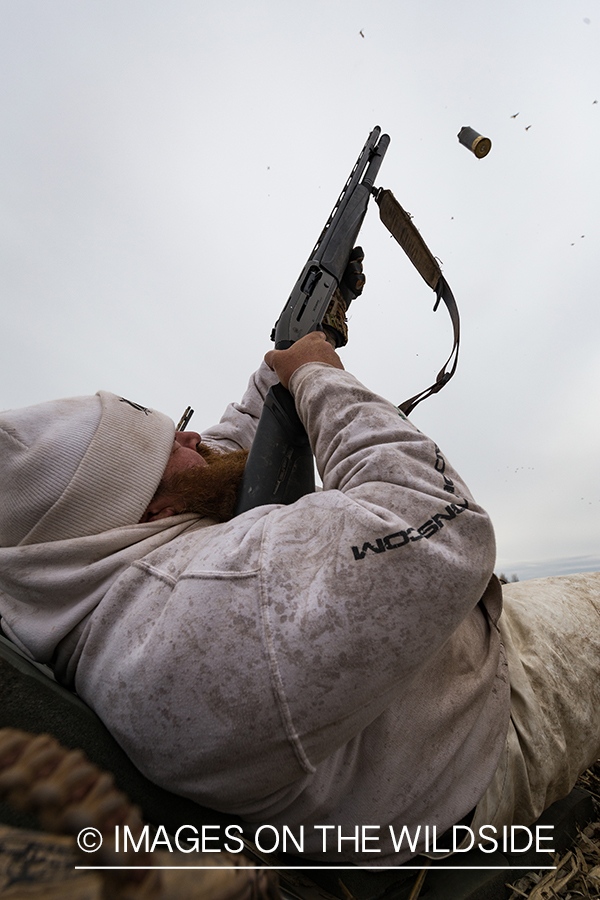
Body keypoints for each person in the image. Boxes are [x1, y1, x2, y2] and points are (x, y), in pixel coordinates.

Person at [0, 328, 599, 866]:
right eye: (166, 447)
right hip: (484, 735)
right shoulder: (207, 614)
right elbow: (439, 523)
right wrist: (318, 375)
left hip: (449, 664)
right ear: (150, 508)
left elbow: (223, 447)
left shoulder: (101, 563)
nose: (192, 435)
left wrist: (287, 351)